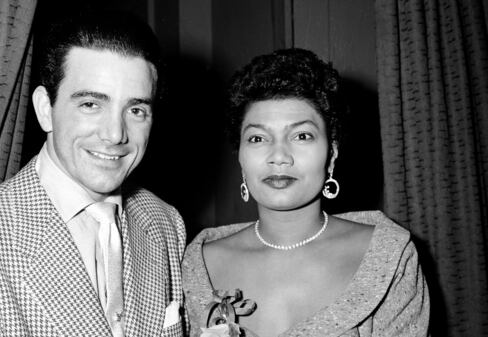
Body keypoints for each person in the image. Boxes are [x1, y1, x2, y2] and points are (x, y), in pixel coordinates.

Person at [0, 10, 185, 337]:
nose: (116, 134)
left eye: (136, 110)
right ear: (46, 109)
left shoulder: (165, 223)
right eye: (90, 104)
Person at [182, 49, 429, 336]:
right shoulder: (197, 263)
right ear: (240, 156)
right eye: (258, 138)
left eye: (302, 136)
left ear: (332, 155)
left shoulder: (389, 258)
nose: (279, 156)